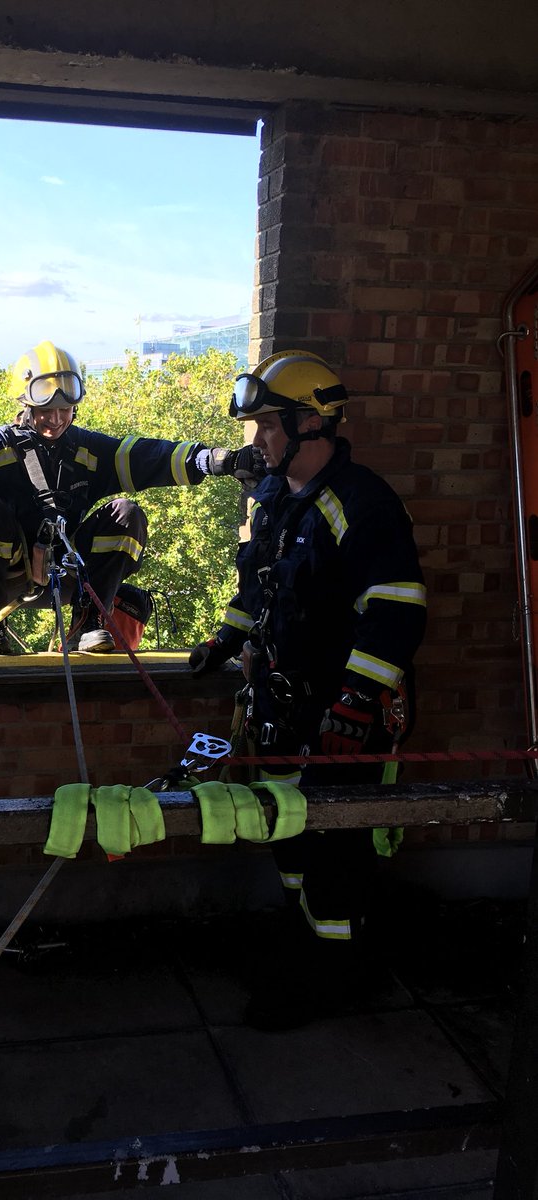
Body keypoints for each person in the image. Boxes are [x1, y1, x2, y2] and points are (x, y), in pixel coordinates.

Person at [190, 349, 427, 1030]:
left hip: (341, 712)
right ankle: (300, 938)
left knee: (334, 844)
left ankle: (335, 975)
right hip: (284, 704)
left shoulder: (363, 505)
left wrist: (354, 703)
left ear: (309, 425)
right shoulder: (276, 499)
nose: (257, 438)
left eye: (267, 425)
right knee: (288, 829)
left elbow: (398, 609)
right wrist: (225, 642)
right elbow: (258, 589)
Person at [0, 340, 263, 654]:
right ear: (25, 404)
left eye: (65, 411)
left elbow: (146, 456)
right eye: (46, 411)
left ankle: (88, 620)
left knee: (127, 514)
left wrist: (215, 460)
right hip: (8, 578)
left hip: (68, 577)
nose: (56, 419)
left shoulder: (87, 452)